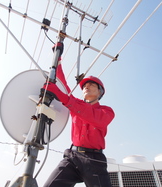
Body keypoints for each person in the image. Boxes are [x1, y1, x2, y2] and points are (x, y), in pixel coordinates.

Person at [43, 43, 115, 187]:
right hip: (72, 157)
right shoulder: (74, 103)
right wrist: (57, 58)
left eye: (92, 85)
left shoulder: (107, 111)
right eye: (84, 86)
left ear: (100, 92)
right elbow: (62, 83)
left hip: (95, 160)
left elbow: (95, 118)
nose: (86, 87)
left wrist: (63, 97)